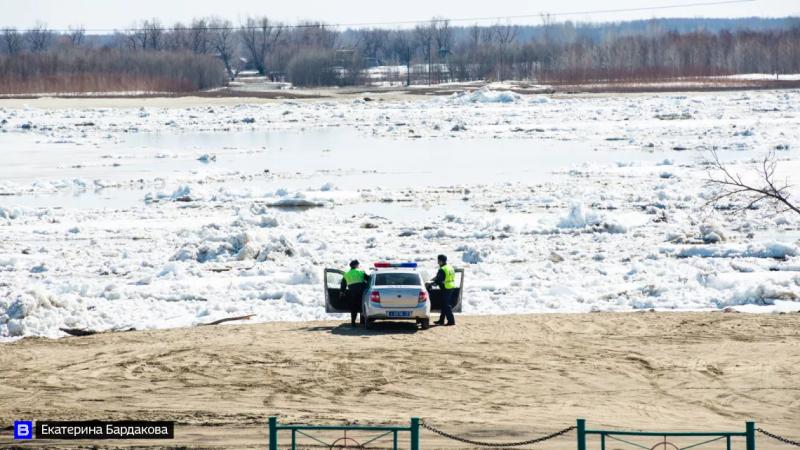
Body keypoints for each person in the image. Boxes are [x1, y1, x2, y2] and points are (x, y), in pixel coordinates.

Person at [427, 254, 456, 326]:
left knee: (446, 305)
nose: (437, 262)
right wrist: (433, 280)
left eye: (438, 260)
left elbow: (439, 279)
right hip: (451, 287)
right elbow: (440, 277)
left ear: (441, 261)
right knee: (444, 304)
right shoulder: (449, 267)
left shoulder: (442, 269)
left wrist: (432, 283)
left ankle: (451, 321)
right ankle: (441, 320)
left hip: (446, 288)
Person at [340, 260, 368, 327]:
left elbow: (343, 285)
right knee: (362, 306)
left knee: (353, 308)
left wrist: (342, 292)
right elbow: (368, 279)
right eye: (358, 264)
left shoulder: (346, 274)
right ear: (356, 265)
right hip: (361, 292)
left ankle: (353, 322)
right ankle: (363, 322)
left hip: (352, 293)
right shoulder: (361, 272)